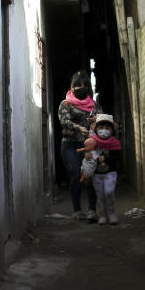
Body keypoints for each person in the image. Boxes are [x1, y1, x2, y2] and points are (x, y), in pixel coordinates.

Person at [58, 70, 102, 220]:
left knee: (89, 175)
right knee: (77, 175)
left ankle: (92, 211)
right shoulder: (65, 104)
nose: (82, 88)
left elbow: (103, 123)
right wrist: (78, 127)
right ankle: (77, 210)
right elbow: (64, 121)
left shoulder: (95, 106)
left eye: (85, 85)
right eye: (78, 86)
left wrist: (95, 122)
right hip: (70, 146)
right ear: (72, 87)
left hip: (89, 146)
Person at [84, 113, 122, 225]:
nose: (104, 130)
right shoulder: (92, 142)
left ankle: (111, 213)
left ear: (112, 130)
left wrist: (105, 158)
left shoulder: (115, 143)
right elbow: (88, 152)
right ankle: (103, 215)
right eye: (101, 127)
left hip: (110, 172)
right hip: (97, 173)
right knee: (100, 195)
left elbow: (117, 157)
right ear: (96, 129)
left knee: (109, 192)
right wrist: (87, 154)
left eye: (107, 128)